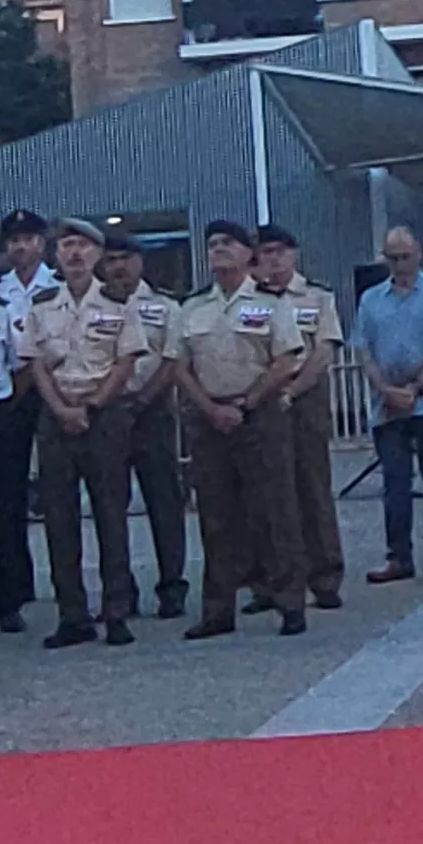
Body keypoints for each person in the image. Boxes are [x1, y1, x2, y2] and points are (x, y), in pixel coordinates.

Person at [20, 220, 184, 647]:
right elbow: (35, 362)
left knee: (111, 513)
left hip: (103, 414)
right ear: (55, 254)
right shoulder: (41, 305)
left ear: (95, 255)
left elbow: (126, 360)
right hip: (57, 416)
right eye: (66, 246)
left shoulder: (118, 305)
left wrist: (92, 406)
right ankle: (72, 614)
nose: (74, 254)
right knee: (58, 518)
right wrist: (60, 409)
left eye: (83, 246)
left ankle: (116, 610)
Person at [170, 220, 307, 635]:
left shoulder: (270, 302)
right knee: (215, 514)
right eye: (212, 244)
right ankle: (217, 610)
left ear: (250, 253)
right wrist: (209, 408)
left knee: (274, 511)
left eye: (228, 243)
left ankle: (289, 602)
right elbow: (178, 365)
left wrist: (246, 404)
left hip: (258, 415)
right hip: (209, 419)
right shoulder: (192, 308)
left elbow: (285, 360)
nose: (218, 251)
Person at [354, 224, 423, 583]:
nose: (400, 264)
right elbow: (364, 351)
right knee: (395, 483)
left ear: (418, 253)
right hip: (387, 405)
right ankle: (398, 556)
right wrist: (385, 390)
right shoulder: (370, 299)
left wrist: (416, 389)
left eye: (405, 256)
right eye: (393, 258)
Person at [0, 208, 57, 636]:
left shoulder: (59, 289)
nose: (22, 247)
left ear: (43, 243)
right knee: (7, 500)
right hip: (12, 401)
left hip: (60, 393)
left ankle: (69, 583)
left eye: (29, 239)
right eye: (14, 241)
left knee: (63, 497)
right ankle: (14, 591)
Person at [251, 225, 347, 611]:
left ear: (294, 253)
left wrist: (293, 391)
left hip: (304, 397)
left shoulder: (316, 297)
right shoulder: (251, 299)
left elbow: (323, 352)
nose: (273, 259)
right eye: (265, 252)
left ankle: (325, 577)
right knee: (265, 496)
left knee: (312, 490)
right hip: (262, 395)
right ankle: (269, 582)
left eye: (280, 251)